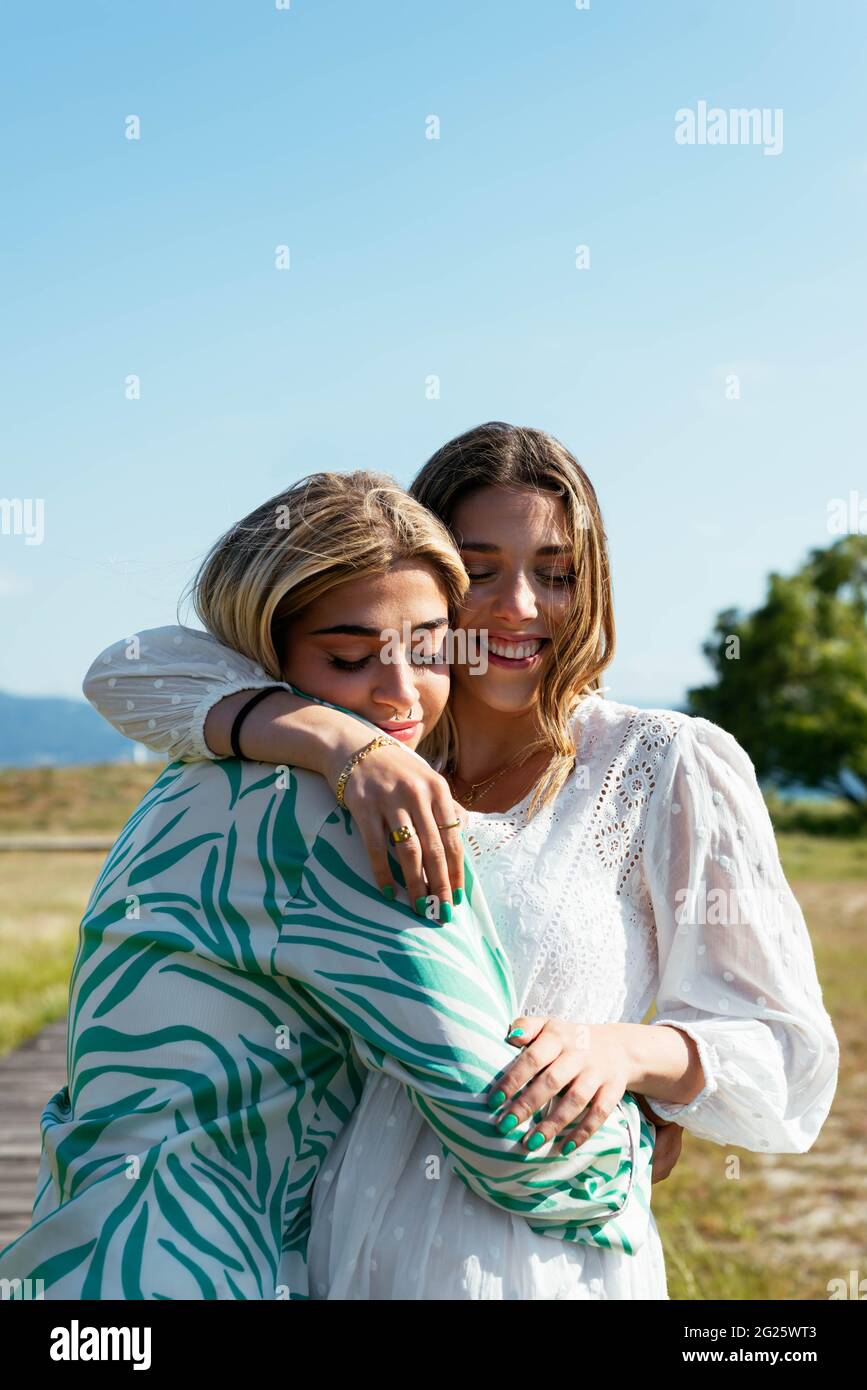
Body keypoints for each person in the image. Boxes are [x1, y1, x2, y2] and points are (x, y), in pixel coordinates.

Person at [83, 423, 840, 1299]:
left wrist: (628, 1058)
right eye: (480, 571)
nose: (520, 606)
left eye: (556, 574)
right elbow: (132, 671)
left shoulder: (663, 762)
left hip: (539, 1253)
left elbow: (786, 1052)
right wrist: (333, 741)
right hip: (332, 1245)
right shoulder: (351, 752)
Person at [0, 470, 657, 1302]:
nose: (399, 694)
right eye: (348, 659)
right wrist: (641, 1137)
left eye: (429, 650)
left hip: (79, 1260)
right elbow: (507, 1133)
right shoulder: (341, 819)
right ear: (262, 655)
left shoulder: (199, 770)